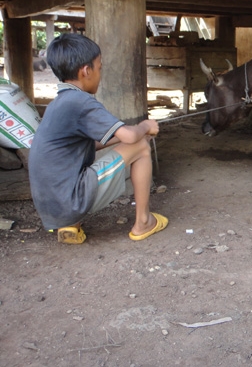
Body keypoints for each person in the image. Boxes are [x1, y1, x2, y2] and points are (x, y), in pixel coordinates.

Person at [28, 33, 168, 244]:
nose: (100, 73)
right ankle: (144, 222)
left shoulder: (58, 103)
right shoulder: (81, 101)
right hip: (72, 200)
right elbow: (130, 137)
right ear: (86, 71)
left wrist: (129, 133)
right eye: (99, 67)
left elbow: (89, 143)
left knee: (132, 141)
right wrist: (144, 126)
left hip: (52, 206)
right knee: (140, 144)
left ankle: (71, 225)